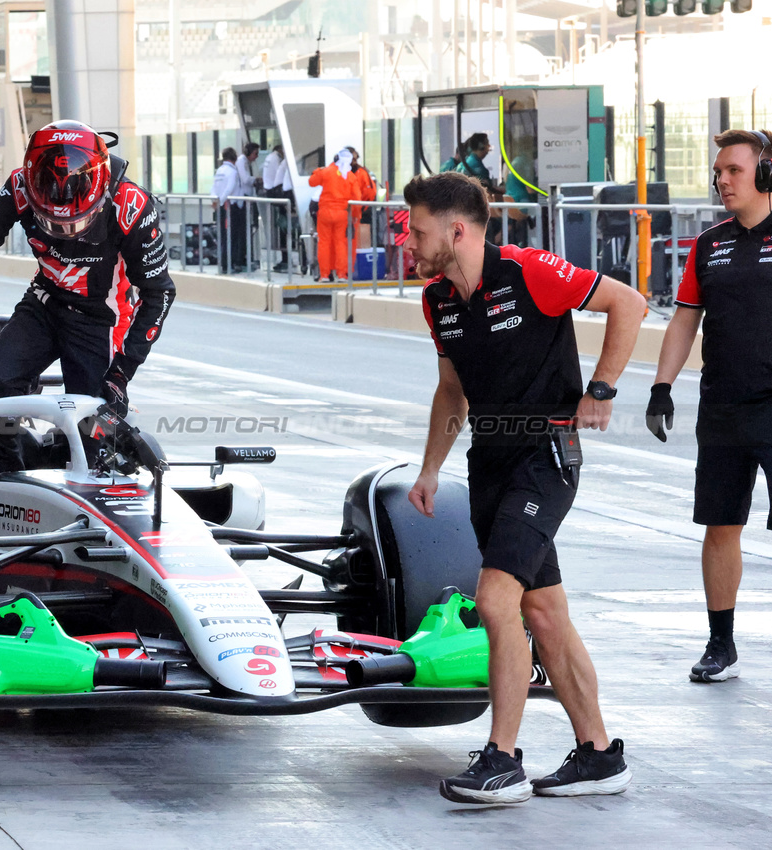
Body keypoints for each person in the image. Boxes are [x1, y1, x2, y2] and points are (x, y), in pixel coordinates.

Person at [405, 172, 643, 804]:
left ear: (456, 230)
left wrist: (601, 388)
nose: (408, 239)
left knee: (495, 600)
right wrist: (431, 468)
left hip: (547, 455)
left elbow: (629, 303)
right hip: (490, 461)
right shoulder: (438, 301)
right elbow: (451, 391)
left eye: (418, 229)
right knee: (543, 612)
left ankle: (501, 758)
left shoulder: (530, 271)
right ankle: (598, 755)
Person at [0, 120, 175, 469]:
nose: (63, 230)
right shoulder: (19, 186)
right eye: (51, 221)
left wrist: (122, 374)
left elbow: (159, 295)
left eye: (75, 224)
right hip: (44, 303)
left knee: (92, 430)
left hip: (102, 319)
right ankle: (6, 481)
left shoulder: (131, 206)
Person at [647, 128, 772, 684]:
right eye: (718, 171)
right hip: (722, 405)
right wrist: (661, 387)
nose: (722, 180)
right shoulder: (709, 243)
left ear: (765, 174)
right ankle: (720, 643)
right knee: (721, 525)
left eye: (734, 171)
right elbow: (684, 318)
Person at [307, 148, 360, 282]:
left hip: (325, 212)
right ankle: (341, 274)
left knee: (324, 243)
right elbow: (357, 198)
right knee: (340, 243)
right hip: (342, 214)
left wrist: (318, 170)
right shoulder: (351, 176)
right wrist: (354, 214)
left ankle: (324, 275)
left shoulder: (326, 172)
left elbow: (311, 182)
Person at [212, 147, 246, 273]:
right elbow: (230, 188)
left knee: (223, 235)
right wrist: (222, 201)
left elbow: (214, 188)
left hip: (221, 205)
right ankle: (229, 263)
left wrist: (215, 201)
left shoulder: (220, 170)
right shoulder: (233, 172)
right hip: (231, 206)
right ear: (234, 158)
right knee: (232, 236)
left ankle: (224, 263)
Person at [262, 144, 290, 272]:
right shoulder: (281, 160)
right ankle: (286, 258)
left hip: (271, 193)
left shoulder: (270, 157)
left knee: (282, 229)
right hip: (279, 195)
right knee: (285, 229)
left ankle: (285, 258)